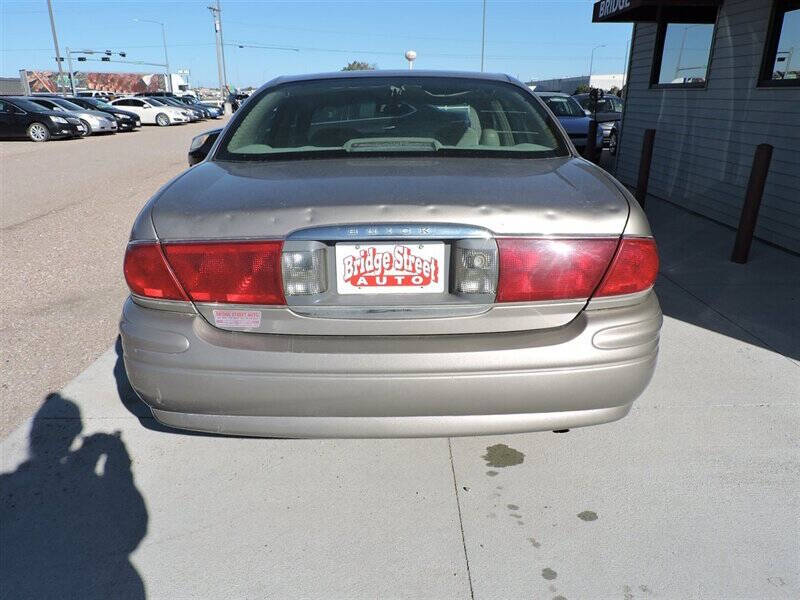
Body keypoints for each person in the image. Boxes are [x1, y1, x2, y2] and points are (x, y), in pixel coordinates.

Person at [0, 393, 148, 599]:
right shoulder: (94, 490)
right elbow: (134, 526)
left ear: (33, 438)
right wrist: (117, 459)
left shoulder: (9, 487)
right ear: (75, 435)